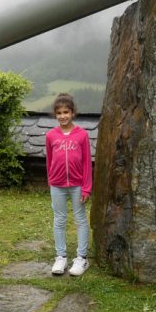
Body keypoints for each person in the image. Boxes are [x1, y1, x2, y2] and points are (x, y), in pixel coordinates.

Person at [45, 92, 92, 276]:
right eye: (59, 113)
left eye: (66, 112)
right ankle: (61, 257)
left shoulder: (82, 136)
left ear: (73, 113)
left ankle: (81, 259)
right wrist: (51, 180)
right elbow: (49, 160)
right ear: (55, 115)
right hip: (57, 186)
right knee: (59, 220)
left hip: (78, 185)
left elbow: (87, 163)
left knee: (80, 219)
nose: (63, 116)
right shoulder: (51, 136)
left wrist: (87, 187)